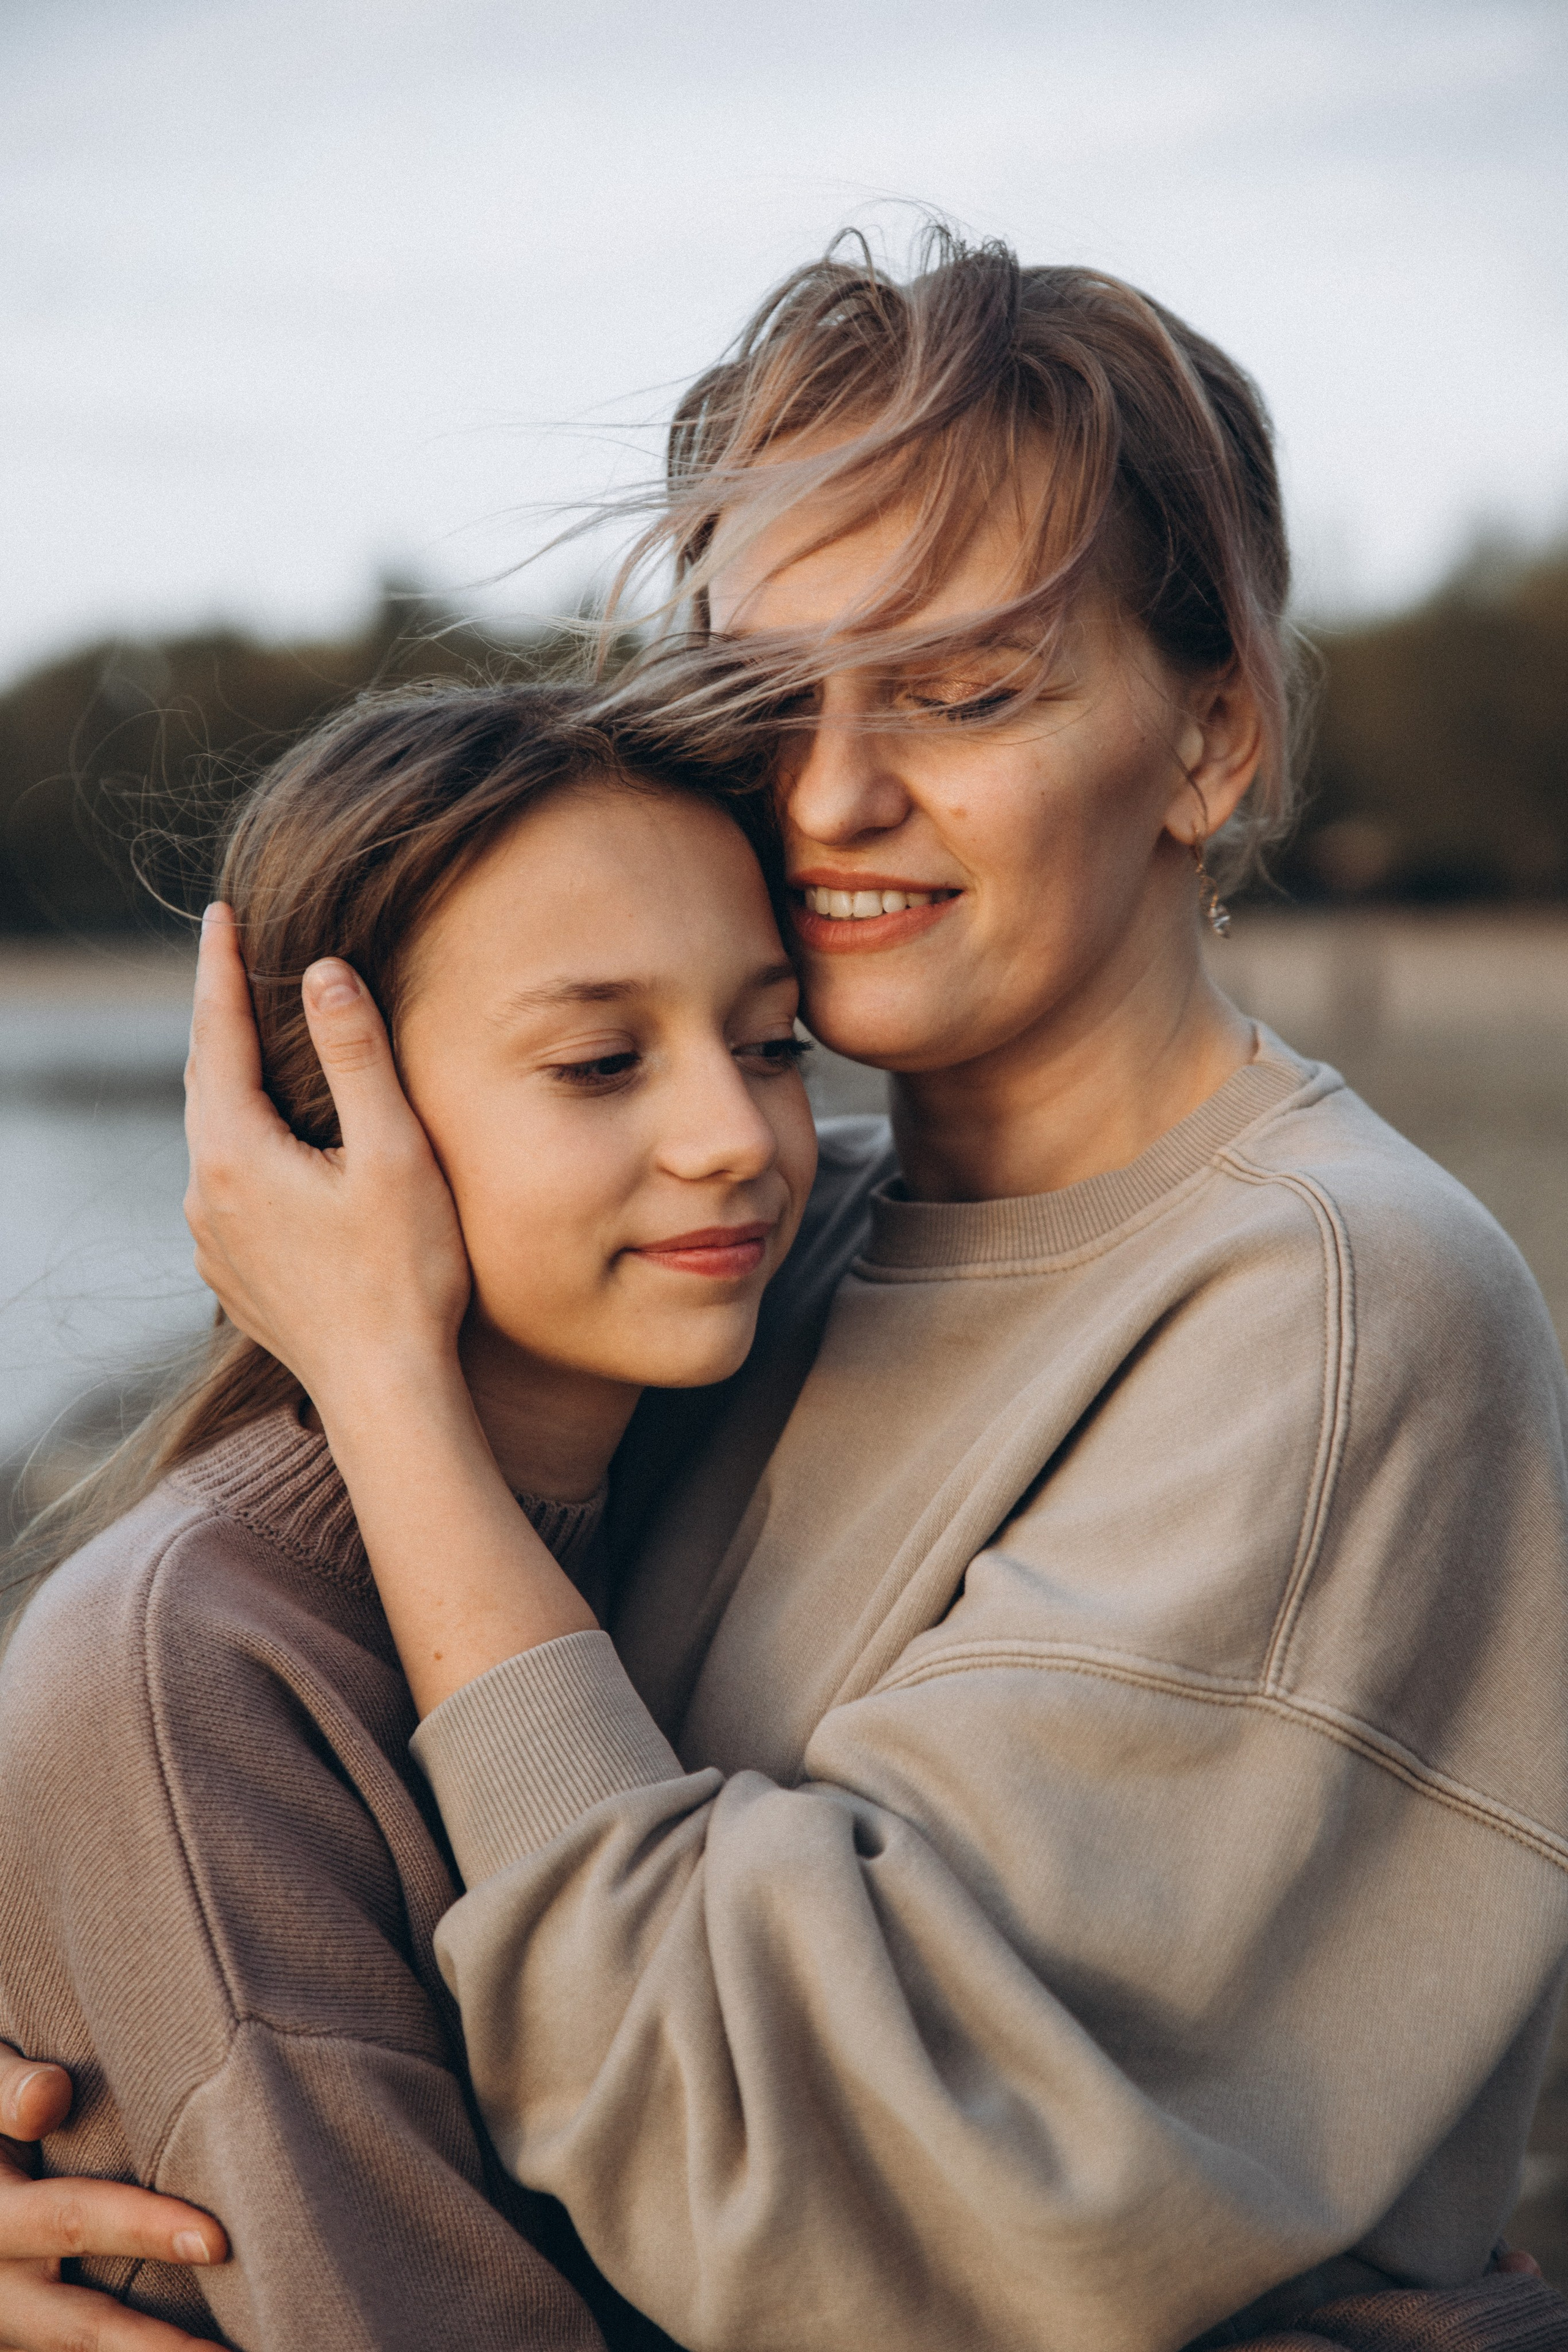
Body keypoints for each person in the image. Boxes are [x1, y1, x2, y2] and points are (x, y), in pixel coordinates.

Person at [4, 230, 1566, 2352]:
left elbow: (793, 2191)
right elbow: (293, 1869)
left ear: (1213, 738)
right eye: (768, 700)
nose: (828, 796)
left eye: (965, 689)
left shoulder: (1339, 1309)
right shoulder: (774, 1238)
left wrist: (378, 1379)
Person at [0, 681, 817, 2350]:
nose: (737, 1137)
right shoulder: (189, 1669)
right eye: (601, 1061)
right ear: (319, 1122)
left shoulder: (741, 1451)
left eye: (774, 1043)